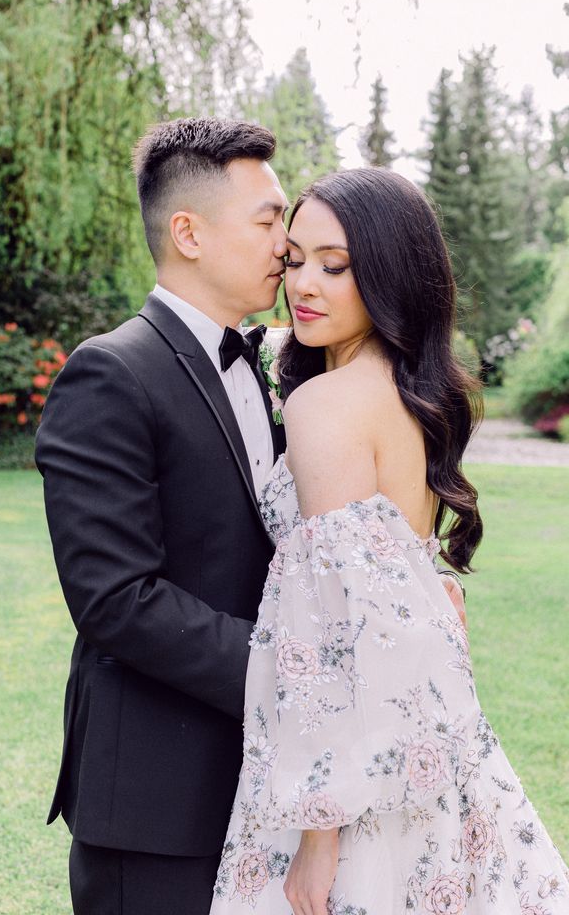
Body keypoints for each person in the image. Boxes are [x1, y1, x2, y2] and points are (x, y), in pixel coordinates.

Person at [35, 118, 463, 915]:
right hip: (157, 800)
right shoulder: (110, 374)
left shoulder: (282, 369)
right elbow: (117, 600)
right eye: (270, 223)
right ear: (189, 233)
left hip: (271, 786)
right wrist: (306, 672)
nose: (284, 250)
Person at [210, 168, 569, 915]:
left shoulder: (325, 406)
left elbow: (329, 632)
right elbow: (405, 587)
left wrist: (318, 836)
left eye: (335, 267)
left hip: (349, 783)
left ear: (389, 275)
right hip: (427, 752)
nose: (303, 284)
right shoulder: (412, 394)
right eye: (295, 259)